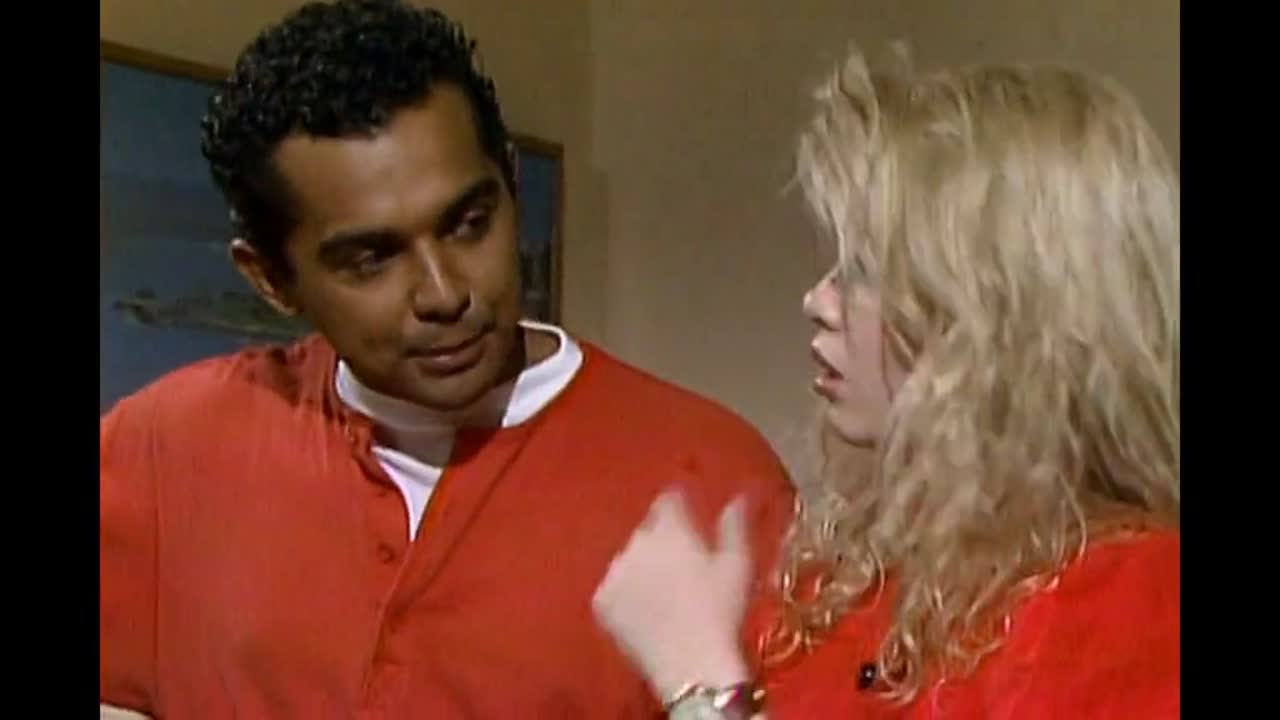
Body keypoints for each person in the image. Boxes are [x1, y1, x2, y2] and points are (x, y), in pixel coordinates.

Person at [98, 1, 794, 717]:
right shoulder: (167, 450)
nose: (444, 292)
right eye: (371, 259)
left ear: (511, 182)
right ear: (271, 279)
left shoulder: (712, 478)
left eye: (469, 224)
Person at [593, 47, 1179, 719]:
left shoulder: (1137, 607)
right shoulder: (845, 581)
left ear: (995, 316)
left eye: (865, 271)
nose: (818, 300)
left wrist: (702, 684)